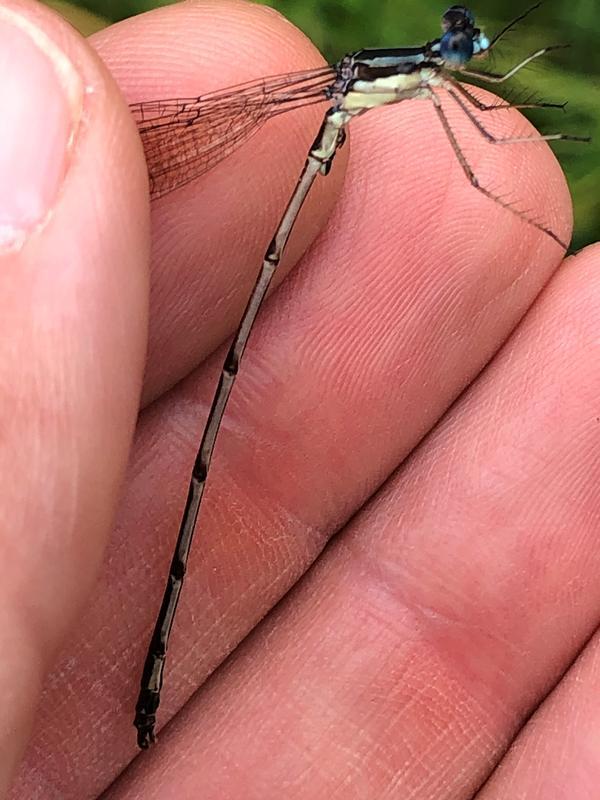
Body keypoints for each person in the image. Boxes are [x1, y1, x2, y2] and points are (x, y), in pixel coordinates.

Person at [2, 1, 599, 797]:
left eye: (466, 47)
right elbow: (480, 158)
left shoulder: (425, 77)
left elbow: (487, 131)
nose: (466, 53)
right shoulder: (410, 82)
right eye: (462, 46)